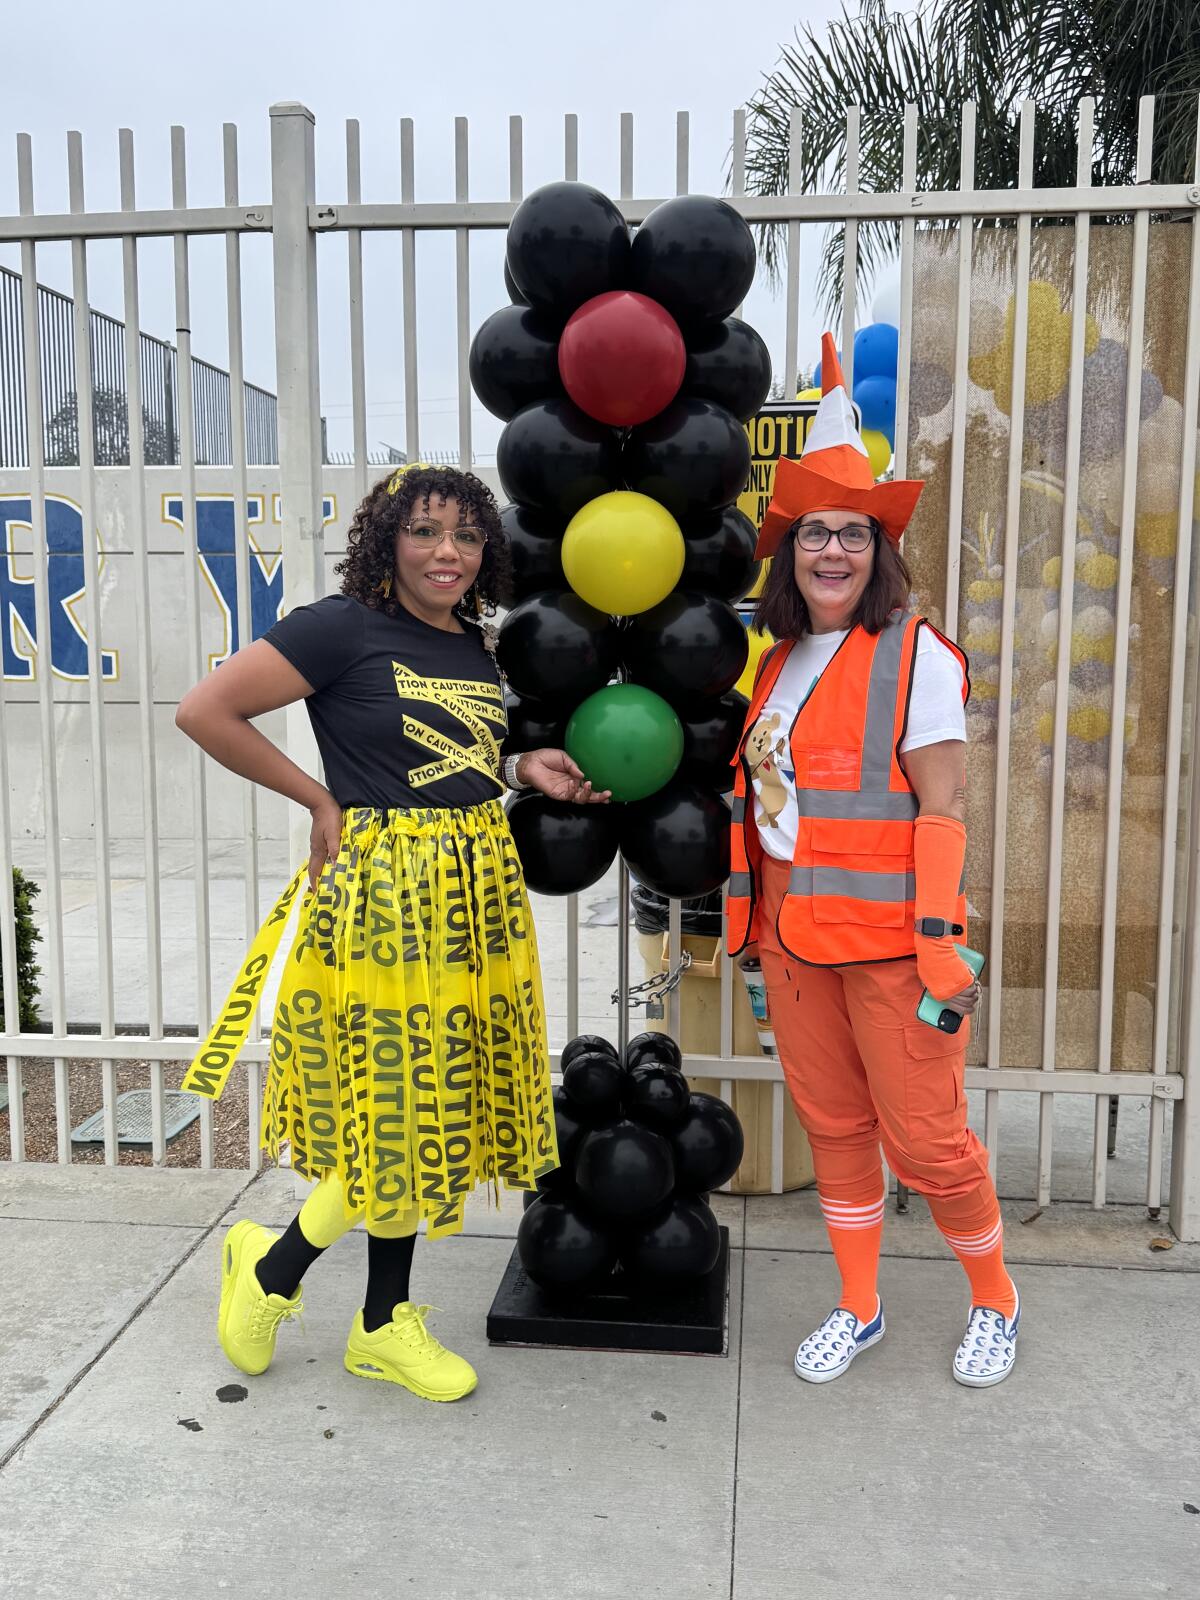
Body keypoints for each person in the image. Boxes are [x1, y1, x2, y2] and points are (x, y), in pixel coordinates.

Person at [176, 463, 608, 1403]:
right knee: (400, 1105)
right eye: (424, 532)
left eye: (465, 535)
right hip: (380, 898)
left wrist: (525, 763)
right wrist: (315, 797)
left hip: (470, 894)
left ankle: (375, 1320)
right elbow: (206, 710)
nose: (447, 552)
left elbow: (448, 754)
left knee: (431, 1105)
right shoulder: (340, 627)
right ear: (387, 541)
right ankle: (279, 1276)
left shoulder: (475, 643)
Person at [726, 336, 1019, 1389]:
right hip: (796, 942)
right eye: (815, 535)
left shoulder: (919, 654)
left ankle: (997, 1300)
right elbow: (772, 811)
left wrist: (942, 941)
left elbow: (945, 807)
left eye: (853, 533)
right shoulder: (777, 662)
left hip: (897, 950)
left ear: (879, 548)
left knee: (932, 1146)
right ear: (790, 551)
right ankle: (860, 1305)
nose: (833, 552)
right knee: (838, 1131)